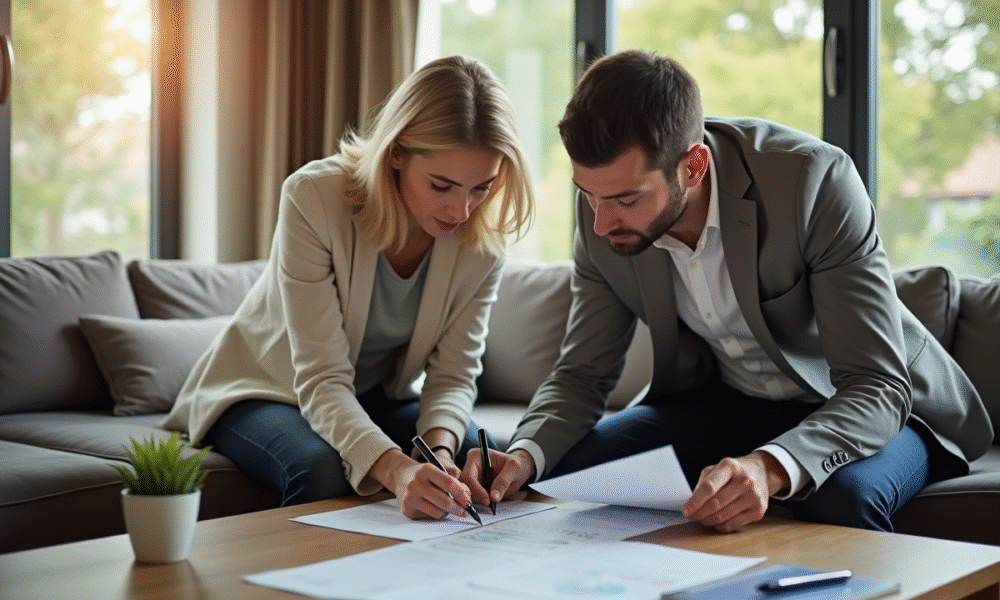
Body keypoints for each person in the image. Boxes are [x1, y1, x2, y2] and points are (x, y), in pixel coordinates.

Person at [460, 49, 992, 533]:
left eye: (625, 198)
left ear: (692, 166)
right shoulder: (602, 208)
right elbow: (582, 374)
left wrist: (769, 466)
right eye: (589, 196)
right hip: (731, 402)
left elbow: (876, 385)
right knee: (575, 471)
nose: (600, 223)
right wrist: (525, 454)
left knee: (839, 503)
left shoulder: (813, 181)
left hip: (880, 408)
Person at [165, 55, 534, 520]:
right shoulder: (314, 199)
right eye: (442, 185)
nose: (462, 210)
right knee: (322, 470)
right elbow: (321, 378)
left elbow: (454, 375)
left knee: (476, 462)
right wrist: (399, 473)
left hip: (369, 395)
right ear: (396, 152)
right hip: (265, 389)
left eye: (482, 187)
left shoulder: (481, 242)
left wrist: (439, 455)